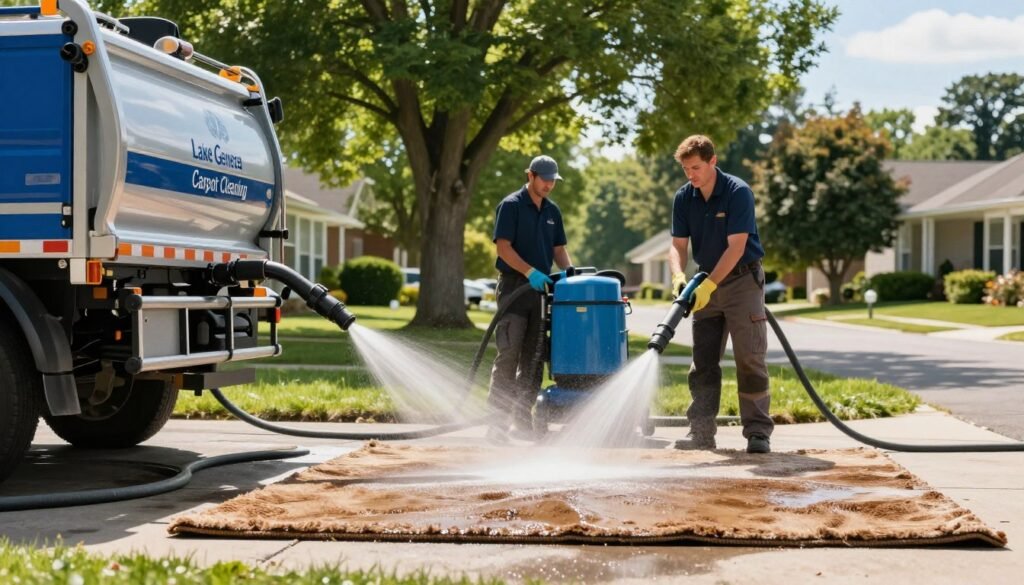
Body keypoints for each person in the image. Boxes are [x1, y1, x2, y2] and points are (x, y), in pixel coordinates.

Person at [667, 135, 773, 454]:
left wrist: (710, 284)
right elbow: (677, 245)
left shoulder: (737, 192)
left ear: (712, 161)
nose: (691, 175)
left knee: (749, 357)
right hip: (705, 282)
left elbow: (737, 246)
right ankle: (700, 432)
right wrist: (678, 277)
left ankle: (757, 432)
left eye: (696, 167)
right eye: (686, 169)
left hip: (742, 280)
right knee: (703, 361)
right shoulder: (684, 198)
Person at [487, 155, 573, 441]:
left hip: (540, 294)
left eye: (553, 181)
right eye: (545, 179)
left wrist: (570, 273)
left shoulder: (553, 211)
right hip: (514, 289)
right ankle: (497, 424)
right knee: (509, 355)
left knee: (534, 358)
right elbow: (503, 248)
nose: (549, 185)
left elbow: (559, 250)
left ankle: (522, 421)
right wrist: (529, 271)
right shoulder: (511, 206)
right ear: (531, 176)